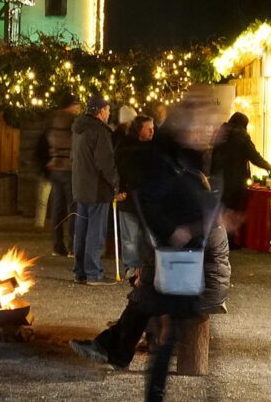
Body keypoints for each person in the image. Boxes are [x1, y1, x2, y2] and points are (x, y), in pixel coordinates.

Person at [70, 143, 211, 400]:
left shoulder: (193, 218)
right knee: (142, 295)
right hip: (184, 278)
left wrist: (146, 274)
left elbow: (189, 255)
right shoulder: (189, 214)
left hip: (194, 286)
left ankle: (112, 349)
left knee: (143, 299)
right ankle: (113, 350)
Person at [71, 95, 118, 285]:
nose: (109, 113)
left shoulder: (78, 129)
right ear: (100, 111)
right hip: (97, 188)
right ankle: (93, 273)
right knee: (95, 231)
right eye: (107, 110)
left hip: (81, 186)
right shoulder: (99, 131)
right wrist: (116, 182)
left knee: (81, 230)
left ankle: (80, 271)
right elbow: (104, 163)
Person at [209, 112, 271, 247]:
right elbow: (254, 156)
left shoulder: (220, 134)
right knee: (235, 209)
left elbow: (212, 156)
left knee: (223, 209)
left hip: (219, 178)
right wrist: (268, 166)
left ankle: (220, 239)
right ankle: (231, 241)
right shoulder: (241, 137)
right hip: (236, 180)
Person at [113, 114, 154, 275]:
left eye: (153, 128)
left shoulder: (153, 148)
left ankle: (146, 266)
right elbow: (119, 171)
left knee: (147, 236)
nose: (152, 132)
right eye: (148, 129)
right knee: (129, 237)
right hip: (129, 196)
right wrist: (119, 189)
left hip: (147, 198)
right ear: (139, 130)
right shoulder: (125, 147)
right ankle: (131, 266)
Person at [43, 95, 79, 257]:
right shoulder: (73, 122)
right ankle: (73, 246)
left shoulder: (52, 121)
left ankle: (57, 246)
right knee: (73, 209)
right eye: (76, 105)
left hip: (55, 167)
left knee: (57, 208)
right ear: (70, 106)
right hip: (69, 168)